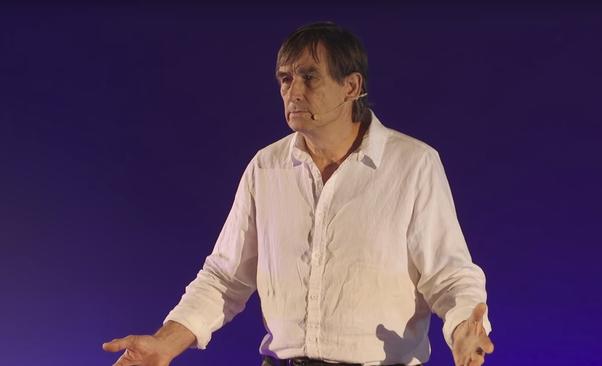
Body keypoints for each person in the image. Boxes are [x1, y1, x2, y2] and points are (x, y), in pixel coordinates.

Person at [103, 21, 495, 366]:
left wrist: (463, 327)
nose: (293, 91)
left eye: (309, 77)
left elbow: (448, 275)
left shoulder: (413, 164)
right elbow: (224, 277)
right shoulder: (266, 167)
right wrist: (165, 344)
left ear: (351, 86)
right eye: (285, 79)